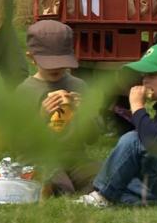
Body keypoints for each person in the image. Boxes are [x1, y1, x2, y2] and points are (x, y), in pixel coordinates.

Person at [76, 43, 157, 209]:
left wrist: (137, 108)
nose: (144, 80)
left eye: (152, 74)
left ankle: (102, 196)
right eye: (144, 74)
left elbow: (152, 140)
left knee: (133, 140)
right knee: (118, 172)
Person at [16, 20, 99, 196]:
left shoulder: (78, 85)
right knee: (58, 182)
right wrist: (40, 116)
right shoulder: (25, 91)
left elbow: (93, 137)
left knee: (104, 175)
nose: (56, 67)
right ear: (31, 58)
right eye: (49, 63)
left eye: (61, 61)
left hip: (74, 158)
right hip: (39, 158)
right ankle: (52, 187)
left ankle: (91, 191)